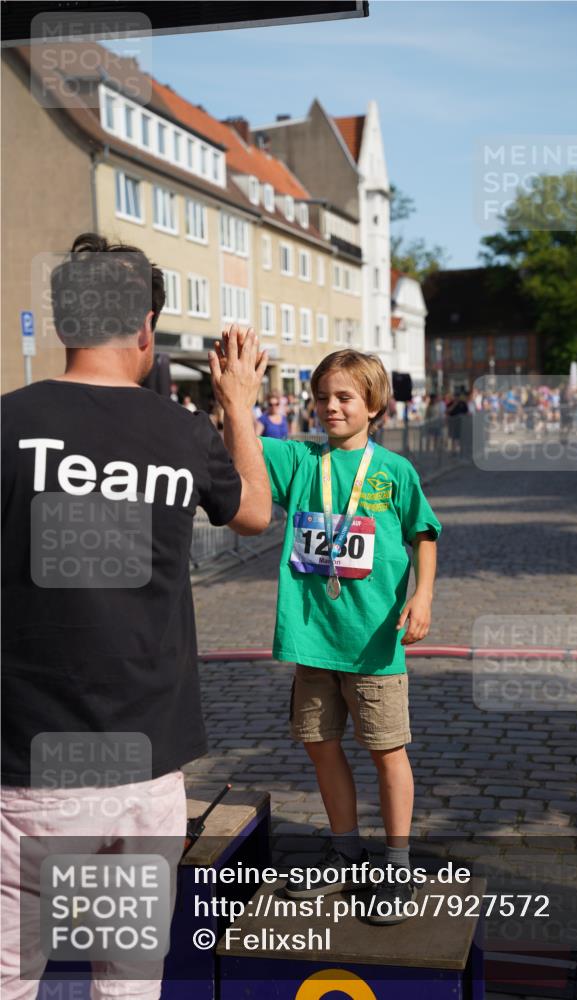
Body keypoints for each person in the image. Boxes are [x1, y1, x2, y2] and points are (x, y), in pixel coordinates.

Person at [1, 233, 271, 1000]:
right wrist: (237, 405)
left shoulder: (6, 426)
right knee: (125, 985)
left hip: (28, 765)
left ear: (62, 324)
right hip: (143, 766)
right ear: (147, 329)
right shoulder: (181, 433)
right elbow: (253, 513)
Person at [245, 346, 441, 925]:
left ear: (374, 405)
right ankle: (345, 848)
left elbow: (424, 533)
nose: (330, 407)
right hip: (313, 639)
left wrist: (423, 595)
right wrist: (237, 397)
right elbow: (245, 449)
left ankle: (398, 862)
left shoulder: (394, 472)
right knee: (319, 743)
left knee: (386, 750)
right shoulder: (304, 461)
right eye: (322, 397)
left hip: (372, 642)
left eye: (344, 397)